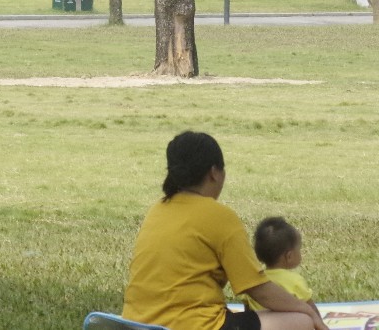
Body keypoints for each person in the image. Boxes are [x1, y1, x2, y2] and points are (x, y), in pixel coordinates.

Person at [120, 131, 326, 330]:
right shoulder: (219, 216)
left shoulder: (157, 209)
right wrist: (306, 310)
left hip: (136, 323)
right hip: (193, 325)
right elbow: (258, 288)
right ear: (214, 173)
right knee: (301, 322)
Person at [242, 218, 319, 322]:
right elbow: (312, 310)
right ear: (289, 256)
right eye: (299, 249)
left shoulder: (254, 281)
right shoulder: (295, 281)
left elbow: (247, 311)